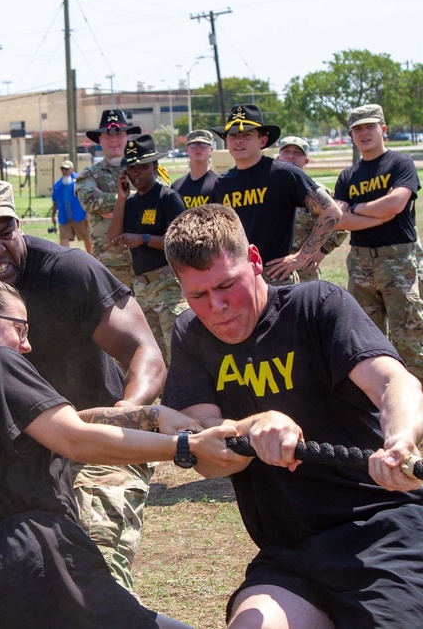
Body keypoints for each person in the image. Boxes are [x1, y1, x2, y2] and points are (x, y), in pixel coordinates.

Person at [0, 275, 236, 628]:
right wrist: (183, 447)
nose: (27, 345)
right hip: (42, 560)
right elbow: (74, 438)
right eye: (20, 328)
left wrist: (151, 415)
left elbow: (65, 423)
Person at [163, 203, 423, 628]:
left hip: (381, 531)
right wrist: (253, 426)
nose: (218, 307)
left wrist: (400, 440)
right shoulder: (191, 334)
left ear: (254, 260)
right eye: (198, 295)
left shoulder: (317, 305)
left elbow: (395, 383)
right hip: (289, 552)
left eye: (227, 285)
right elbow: (204, 450)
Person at [0, 179, 172, 594]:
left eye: (5, 232)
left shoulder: (68, 271)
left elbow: (145, 354)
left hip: (98, 442)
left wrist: (122, 413)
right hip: (17, 454)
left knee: (91, 568)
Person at [333, 104, 423, 381]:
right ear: (351, 135)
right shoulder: (348, 176)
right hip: (361, 264)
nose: (364, 133)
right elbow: (338, 219)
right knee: (367, 340)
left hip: (399, 263)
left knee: (409, 338)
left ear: (383, 129)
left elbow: (396, 203)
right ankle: (381, 400)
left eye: (370, 127)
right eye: (357, 129)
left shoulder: (400, 164)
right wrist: (379, 213)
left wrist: (357, 208)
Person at [210, 104, 342, 285]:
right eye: (233, 136)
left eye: (246, 135)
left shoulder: (284, 174)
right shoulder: (222, 183)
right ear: (226, 141)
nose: (238, 141)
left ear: (262, 141)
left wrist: (302, 257)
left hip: (276, 277)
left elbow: (332, 212)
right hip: (239, 278)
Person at [107, 135, 188, 365]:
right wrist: (121, 198)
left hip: (169, 286)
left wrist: (143, 238)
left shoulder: (168, 198)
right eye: (131, 168)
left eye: (142, 167)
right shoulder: (130, 203)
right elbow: (113, 238)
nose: (136, 174)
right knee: (152, 355)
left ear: (155, 166)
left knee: (177, 353)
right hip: (143, 287)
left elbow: (182, 243)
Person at [75, 109, 140, 287]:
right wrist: (134, 203)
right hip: (108, 262)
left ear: (127, 136)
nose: (113, 140)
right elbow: (90, 201)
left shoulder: (143, 169)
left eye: (118, 134)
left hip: (144, 262)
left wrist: (114, 209)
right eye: (107, 135)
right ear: (100, 140)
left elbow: (158, 199)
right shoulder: (89, 175)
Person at [276, 136, 348, 282]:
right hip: (274, 265)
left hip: (304, 268)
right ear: (278, 157)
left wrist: (322, 251)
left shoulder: (318, 193)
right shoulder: (269, 189)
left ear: (306, 161)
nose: (291, 156)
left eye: (297, 153)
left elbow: (339, 224)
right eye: (286, 151)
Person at [50, 159, 92, 253]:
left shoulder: (80, 181)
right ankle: (66, 260)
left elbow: (87, 197)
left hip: (79, 216)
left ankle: (92, 257)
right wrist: (53, 215)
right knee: (63, 239)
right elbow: (55, 201)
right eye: (63, 169)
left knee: (87, 237)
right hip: (64, 217)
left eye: (67, 169)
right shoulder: (58, 185)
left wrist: (88, 213)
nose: (65, 171)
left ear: (72, 169)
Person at [171, 129, 219, 208]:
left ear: (211, 150)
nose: (198, 148)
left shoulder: (219, 184)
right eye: (194, 144)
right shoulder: (176, 186)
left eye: (203, 144)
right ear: (187, 150)